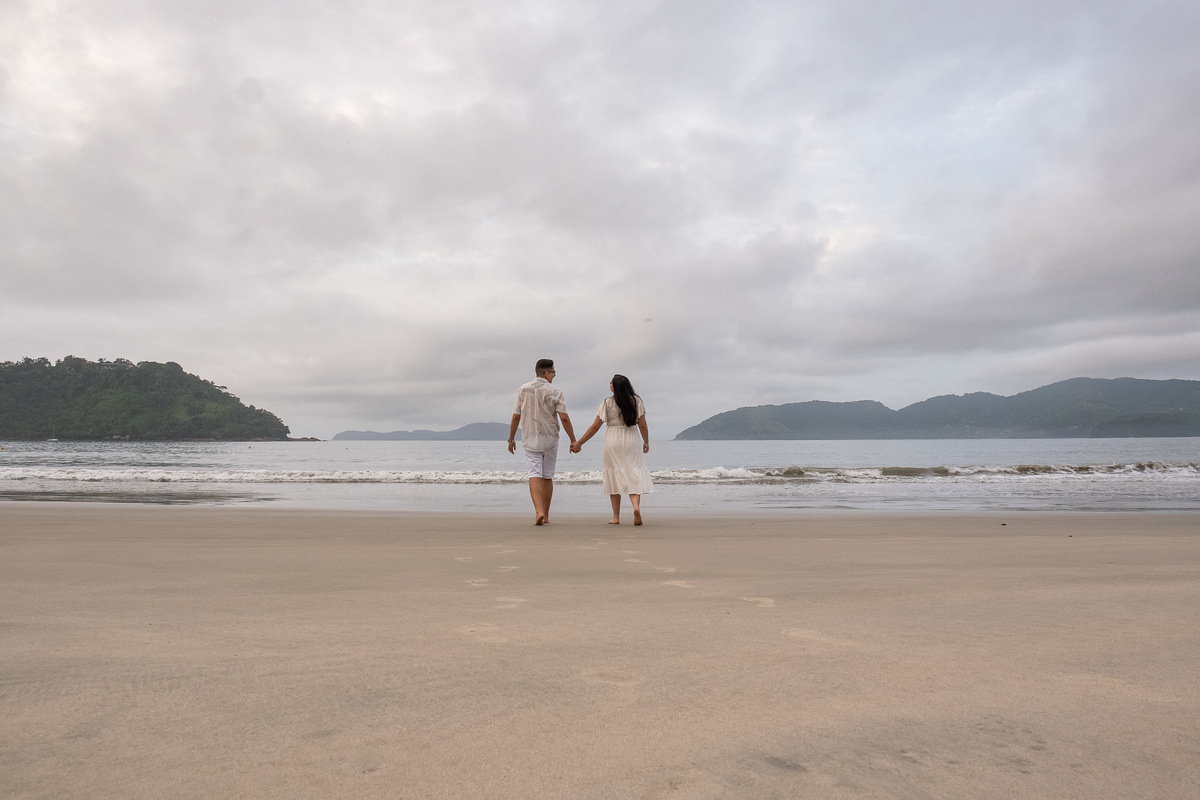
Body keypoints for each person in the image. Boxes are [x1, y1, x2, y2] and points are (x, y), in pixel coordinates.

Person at [571, 374, 653, 525]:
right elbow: (643, 425)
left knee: (613, 473)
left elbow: (595, 426)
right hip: (631, 438)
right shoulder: (637, 400)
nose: (609, 384)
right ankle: (635, 507)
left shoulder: (607, 403)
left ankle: (616, 517)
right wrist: (646, 441)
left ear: (615, 387)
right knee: (633, 471)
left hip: (612, 439)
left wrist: (579, 443)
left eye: (611, 383)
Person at [509, 359, 577, 526]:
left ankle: (538, 511)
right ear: (546, 373)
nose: (554, 375)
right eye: (553, 372)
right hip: (550, 438)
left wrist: (511, 438)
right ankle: (545, 515)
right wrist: (573, 439)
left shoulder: (523, 389)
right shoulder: (555, 391)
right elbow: (564, 418)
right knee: (547, 476)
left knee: (534, 474)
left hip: (530, 437)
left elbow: (516, 416)